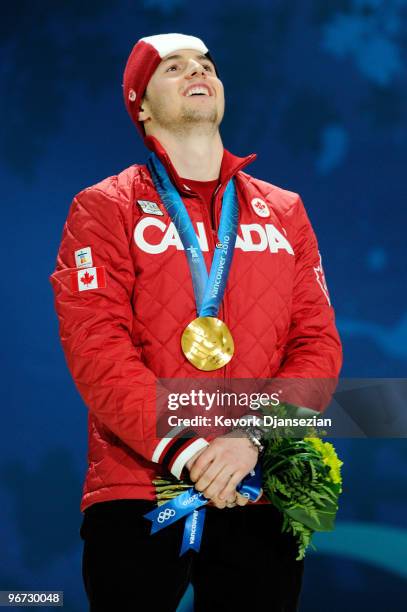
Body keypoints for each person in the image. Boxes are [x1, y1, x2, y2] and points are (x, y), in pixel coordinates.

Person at [49, 33, 342, 611]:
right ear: (142, 105)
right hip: (140, 488)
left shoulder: (285, 211)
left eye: (206, 65)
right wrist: (188, 449)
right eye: (174, 68)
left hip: (256, 486)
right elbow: (97, 348)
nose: (196, 72)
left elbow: (317, 346)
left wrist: (248, 438)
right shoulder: (105, 206)